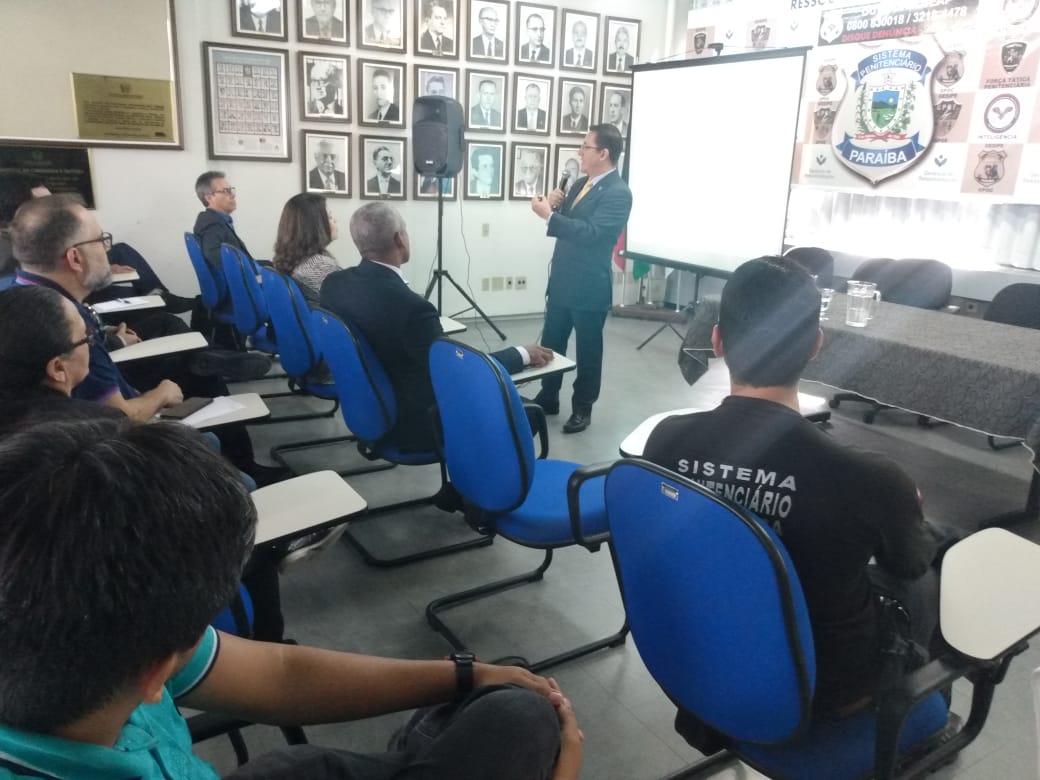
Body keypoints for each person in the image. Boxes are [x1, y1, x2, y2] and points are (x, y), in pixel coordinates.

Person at [0, 416, 583, 779]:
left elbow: (278, 675)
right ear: (156, 672)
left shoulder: (91, 643)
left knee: (503, 704)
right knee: (522, 720)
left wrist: (464, 673)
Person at [642, 256, 943, 743]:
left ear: (717, 341)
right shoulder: (870, 478)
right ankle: (922, 703)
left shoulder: (663, 442)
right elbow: (910, 563)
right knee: (927, 572)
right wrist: (901, 506)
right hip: (824, 692)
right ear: (816, 346)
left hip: (704, 656)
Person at [0, 284, 290, 641]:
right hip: (111, 604)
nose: (94, 344)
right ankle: (267, 639)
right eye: (87, 338)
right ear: (58, 368)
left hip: (27, 607)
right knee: (254, 529)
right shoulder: (95, 437)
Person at [10, 195, 285, 486]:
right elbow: (118, 416)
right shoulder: (65, 326)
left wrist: (111, 336)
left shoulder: (23, 300)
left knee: (175, 338)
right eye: (101, 240)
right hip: (107, 451)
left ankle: (210, 363)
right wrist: (161, 394)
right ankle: (241, 478)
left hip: (84, 425)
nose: (107, 249)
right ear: (75, 258)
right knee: (198, 380)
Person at [321, 203, 553, 453]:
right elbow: (458, 371)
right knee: (524, 411)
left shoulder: (334, 285)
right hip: (417, 425)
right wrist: (521, 354)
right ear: (399, 239)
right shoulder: (412, 309)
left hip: (366, 409)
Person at [529, 125, 632, 434]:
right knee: (552, 343)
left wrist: (549, 216)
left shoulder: (618, 193)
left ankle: (582, 408)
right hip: (562, 281)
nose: (579, 152)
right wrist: (555, 204)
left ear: (603, 153)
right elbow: (570, 223)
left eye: (585, 146)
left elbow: (593, 234)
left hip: (589, 287)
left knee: (588, 353)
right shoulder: (579, 184)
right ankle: (549, 396)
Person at [273, 193, 340, 305]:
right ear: (315, 225)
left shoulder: (292, 258)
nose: (335, 220)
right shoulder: (321, 266)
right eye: (329, 217)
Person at [193, 171, 254, 273]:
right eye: (226, 191)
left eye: (231, 190)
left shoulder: (215, 219)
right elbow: (213, 253)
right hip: (241, 279)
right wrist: (250, 275)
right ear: (209, 198)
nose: (232, 195)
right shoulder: (211, 224)